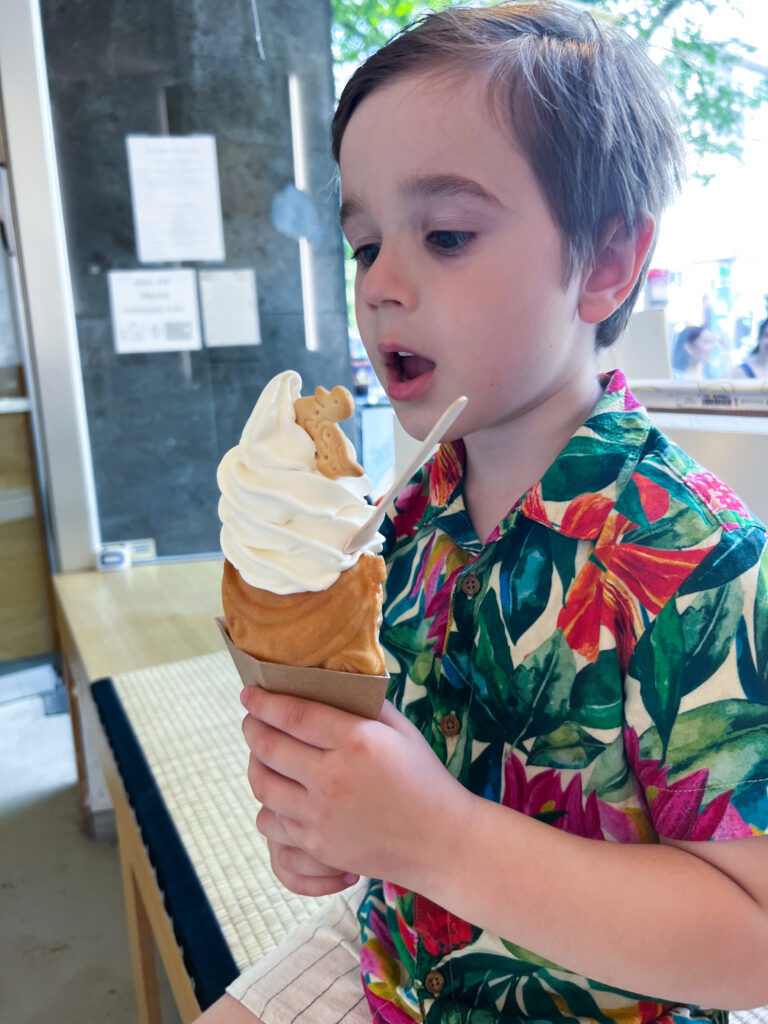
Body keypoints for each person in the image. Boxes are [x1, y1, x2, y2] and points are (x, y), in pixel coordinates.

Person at [197, 4, 768, 1022]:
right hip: (397, 953)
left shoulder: (700, 564)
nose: (380, 286)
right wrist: (330, 816)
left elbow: (756, 943)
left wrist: (434, 836)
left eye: (447, 234)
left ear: (605, 265)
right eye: (364, 244)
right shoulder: (406, 508)